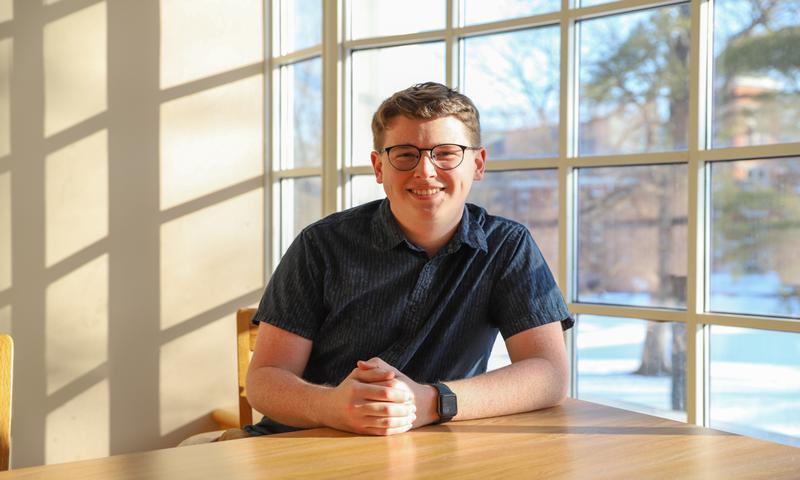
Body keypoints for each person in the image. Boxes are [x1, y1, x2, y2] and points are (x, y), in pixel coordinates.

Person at [243, 81, 573, 437]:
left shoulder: (507, 246)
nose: (425, 171)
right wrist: (331, 406)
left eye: (446, 153)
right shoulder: (320, 244)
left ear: (478, 164)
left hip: (431, 449)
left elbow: (549, 374)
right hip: (303, 443)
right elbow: (265, 381)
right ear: (379, 166)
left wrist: (431, 401)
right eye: (404, 154)